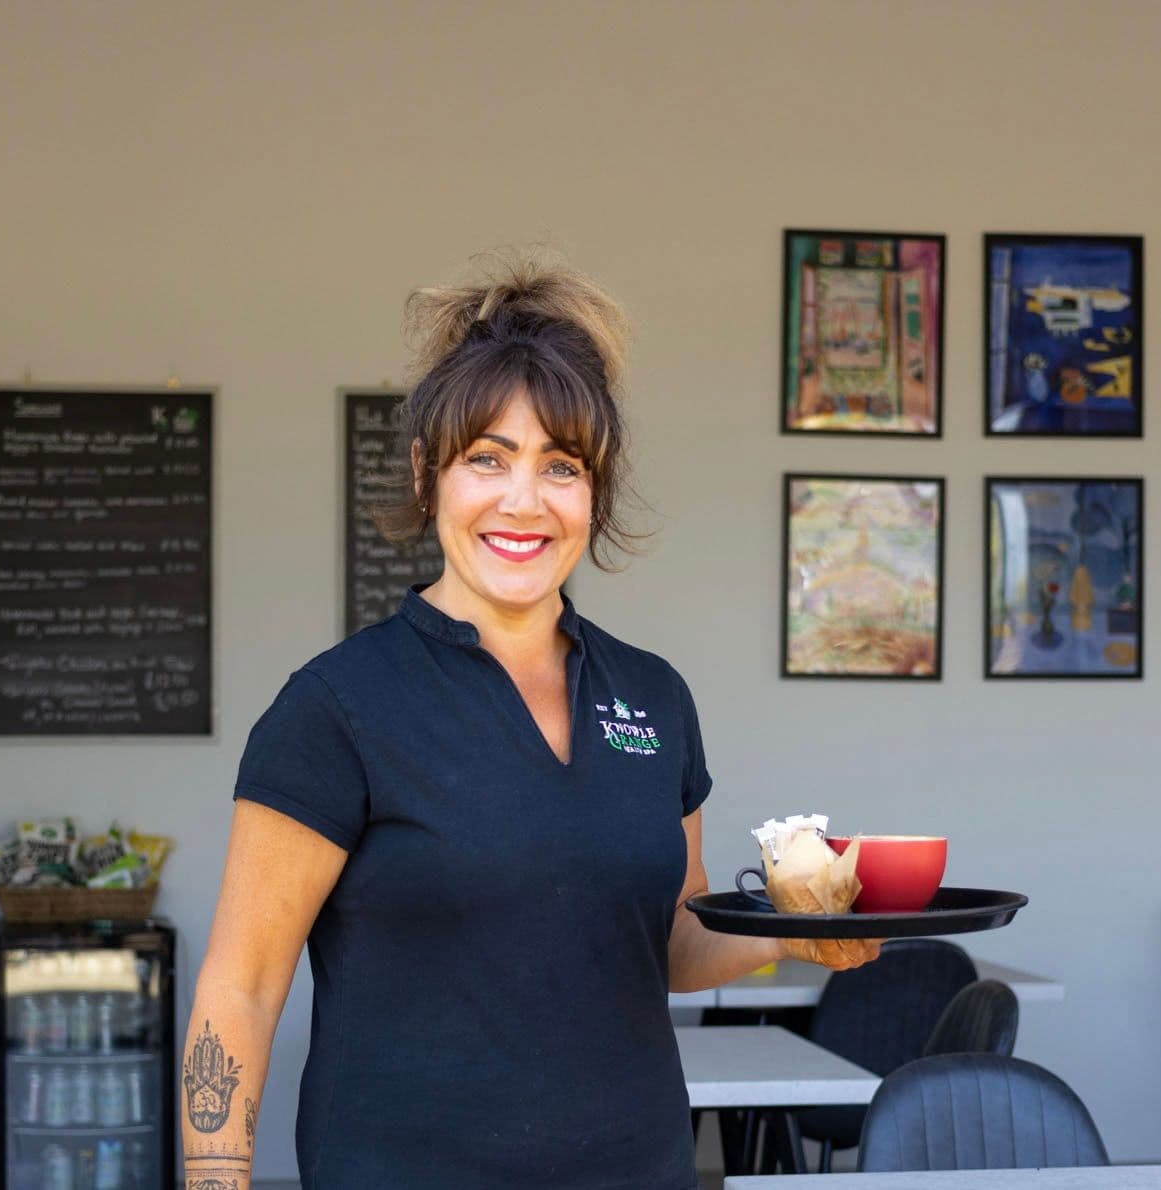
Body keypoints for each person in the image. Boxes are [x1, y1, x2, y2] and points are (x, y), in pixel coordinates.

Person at [182, 250, 880, 1190]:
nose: (525, 501)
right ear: (430, 473)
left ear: (594, 491)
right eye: (489, 459)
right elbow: (243, 986)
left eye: (562, 465)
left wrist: (795, 932)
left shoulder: (653, 697)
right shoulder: (338, 708)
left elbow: (668, 938)